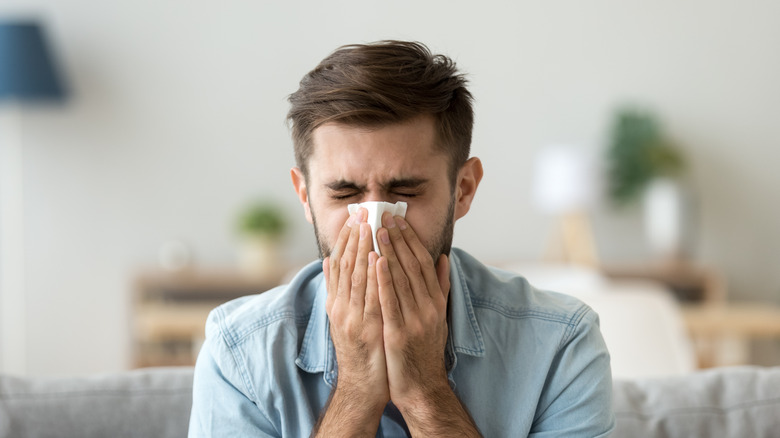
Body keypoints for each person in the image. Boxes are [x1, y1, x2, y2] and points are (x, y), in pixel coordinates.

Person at [189, 40, 614, 437]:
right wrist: (356, 392)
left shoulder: (561, 344)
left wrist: (424, 391)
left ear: (463, 189)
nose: (375, 226)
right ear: (305, 195)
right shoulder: (239, 354)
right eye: (344, 193)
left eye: (406, 192)